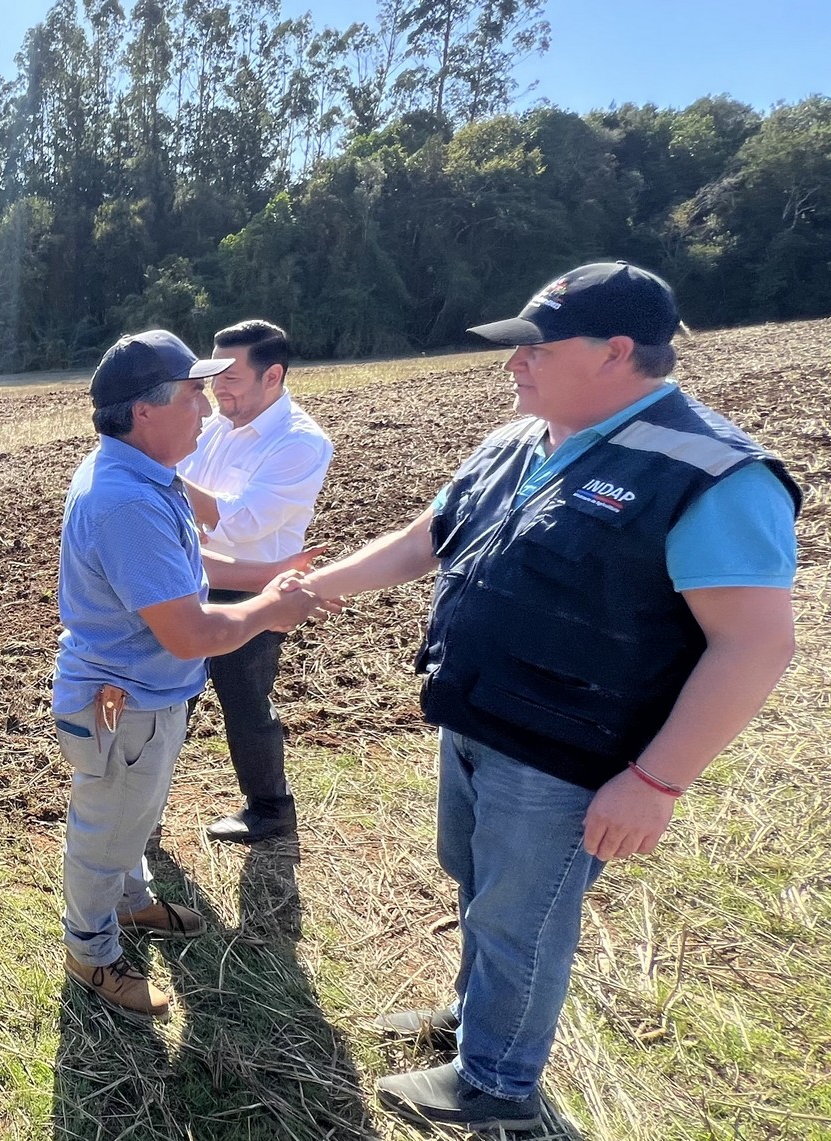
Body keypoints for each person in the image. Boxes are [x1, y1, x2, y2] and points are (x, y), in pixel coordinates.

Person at [297, 262, 799, 1130]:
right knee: (482, 885)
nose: (514, 363)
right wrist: (313, 589)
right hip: (478, 717)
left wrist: (655, 781)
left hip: (571, 750)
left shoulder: (713, 472)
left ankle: (497, 1087)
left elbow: (754, 644)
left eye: (536, 345)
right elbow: (430, 535)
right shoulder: (523, 438)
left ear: (615, 351)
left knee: (522, 915)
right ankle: (478, 1023)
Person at [55, 329, 332, 1019]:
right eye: (194, 395)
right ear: (145, 411)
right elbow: (190, 629)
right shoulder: (127, 499)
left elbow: (186, 570)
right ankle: (90, 950)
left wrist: (268, 573)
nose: (208, 411)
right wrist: (269, 609)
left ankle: (132, 901)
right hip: (123, 704)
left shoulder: (147, 475)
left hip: (145, 700)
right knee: (107, 828)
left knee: (134, 814)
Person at [179, 320, 335, 844]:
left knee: (244, 700)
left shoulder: (300, 442)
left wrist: (158, 473)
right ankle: (145, 802)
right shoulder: (220, 427)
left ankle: (270, 810)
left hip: (253, 588)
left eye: (231, 376)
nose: (218, 387)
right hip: (196, 573)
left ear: (273, 376)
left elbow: (241, 522)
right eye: (214, 375)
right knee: (170, 692)